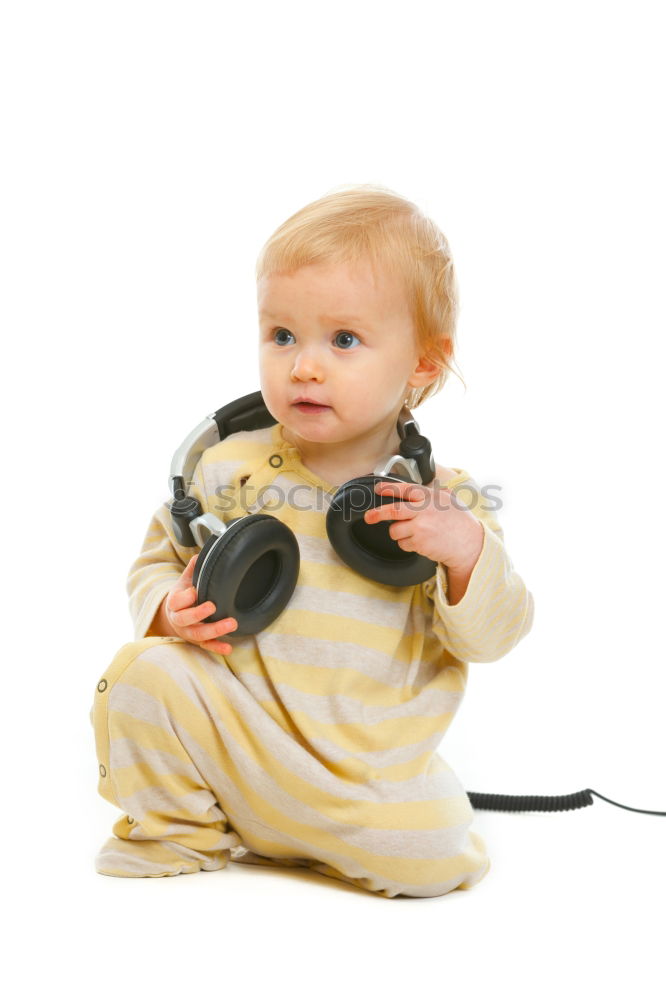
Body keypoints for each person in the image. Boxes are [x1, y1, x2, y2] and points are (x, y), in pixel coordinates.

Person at [91, 184, 534, 897]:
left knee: (435, 856)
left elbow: (496, 634)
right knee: (143, 672)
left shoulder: (443, 502)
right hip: (239, 740)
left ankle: (314, 832)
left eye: (345, 339)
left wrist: (466, 552)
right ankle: (185, 826)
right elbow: (154, 562)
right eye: (282, 335)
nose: (304, 365)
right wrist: (166, 609)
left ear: (422, 364)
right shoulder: (227, 468)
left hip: (362, 774)